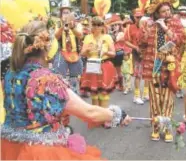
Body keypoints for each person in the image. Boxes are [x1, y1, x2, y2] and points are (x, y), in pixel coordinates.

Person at [1, 20, 131, 160]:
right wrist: (118, 115)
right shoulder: (46, 79)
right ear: (47, 46)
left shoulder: (10, 75)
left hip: (11, 147)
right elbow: (89, 112)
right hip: (42, 152)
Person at [141, 0, 186, 142]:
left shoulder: (176, 23)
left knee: (167, 99)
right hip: (153, 66)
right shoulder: (151, 24)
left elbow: (179, 40)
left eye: (168, 10)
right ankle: (155, 126)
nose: (167, 13)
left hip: (169, 66)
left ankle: (167, 127)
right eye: (163, 12)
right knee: (154, 99)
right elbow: (141, 43)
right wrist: (146, 30)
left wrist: (166, 27)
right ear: (156, 14)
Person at [80, 17, 118, 128]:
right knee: (94, 93)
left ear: (102, 26)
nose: (96, 27)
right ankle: (96, 118)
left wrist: (105, 51)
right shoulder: (88, 37)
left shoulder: (107, 37)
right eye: (94, 25)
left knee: (104, 93)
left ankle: (105, 118)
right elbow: (82, 53)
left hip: (104, 66)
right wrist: (87, 50)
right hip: (92, 66)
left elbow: (113, 53)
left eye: (99, 25)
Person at [52, 0, 83, 94]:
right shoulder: (58, 24)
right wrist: (62, 27)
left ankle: (74, 95)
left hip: (74, 54)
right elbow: (56, 36)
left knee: (74, 78)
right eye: (64, 12)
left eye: (67, 12)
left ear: (71, 14)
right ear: (61, 14)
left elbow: (80, 35)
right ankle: (61, 96)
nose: (65, 14)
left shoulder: (77, 24)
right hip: (62, 53)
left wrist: (72, 27)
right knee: (60, 78)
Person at [124, 8, 147, 104]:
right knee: (138, 74)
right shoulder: (130, 28)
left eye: (141, 17)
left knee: (147, 75)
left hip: (147, 53)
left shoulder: (148, 26)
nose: (139, 19)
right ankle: (136, 96)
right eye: (137, 17)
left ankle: (146, 94)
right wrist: (135, 47)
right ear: (134, 17)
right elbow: (126, 41)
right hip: (137, 53)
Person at [106, 14, 126, 91]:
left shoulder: (121, 33)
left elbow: (114, 40)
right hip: (111, 53)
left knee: (118, 70)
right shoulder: (111, 33)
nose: (115, 26)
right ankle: (114, 84)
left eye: (117, 25)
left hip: (118, 53)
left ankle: (121, 85)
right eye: (113, 25)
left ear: (119, 25)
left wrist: (111, 33)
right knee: (111, 70)